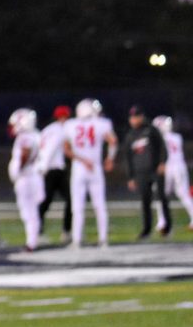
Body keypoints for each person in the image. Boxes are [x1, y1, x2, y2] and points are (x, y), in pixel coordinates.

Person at [62, 98, 117, 249]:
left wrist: (82, 159)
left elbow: (66, 150)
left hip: (79, 168)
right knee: (99, 205)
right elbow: (113, 141)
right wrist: (110, 159)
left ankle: (77, 240)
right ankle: (103, 239)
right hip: (95, 167)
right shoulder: (102, 123)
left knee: (77, 207)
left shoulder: (70, 125)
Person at [122, 105, 169, 239]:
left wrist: (162, 162)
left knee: (162, 198)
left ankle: (167, 227)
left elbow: (162, 147)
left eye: (136, 116)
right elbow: (128, 158)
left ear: (142, 116)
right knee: (145, 201)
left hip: (155, 169)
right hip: (140, 173)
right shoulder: (130, 135)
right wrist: (130, 177)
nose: (134, 120)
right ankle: (147, 230)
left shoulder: (151, 130)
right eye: (132, 117)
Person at [7, 108, 45, 251]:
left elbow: (25, 152)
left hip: (27, 177)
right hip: (34, 176)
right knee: (32, 212)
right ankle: (33, 240)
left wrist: (18, 169)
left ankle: (31, 242)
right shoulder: (36, 134)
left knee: (28, 212)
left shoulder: (25, 137)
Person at [37, 105, 73, 243]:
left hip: (52, 169)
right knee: (46, 201)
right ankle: (64, 231)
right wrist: (43, 168)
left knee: (50, 201)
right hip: (53, 170)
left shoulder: (48, 129)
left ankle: (65, 230)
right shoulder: (59, 130)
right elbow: (49, 150)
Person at [155, 115, 193, 230]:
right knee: (184, 194)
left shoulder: (162, 139)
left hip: (169, 167)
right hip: (180, 166)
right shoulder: (178, 137)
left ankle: (162, 222)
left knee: (161, 195)